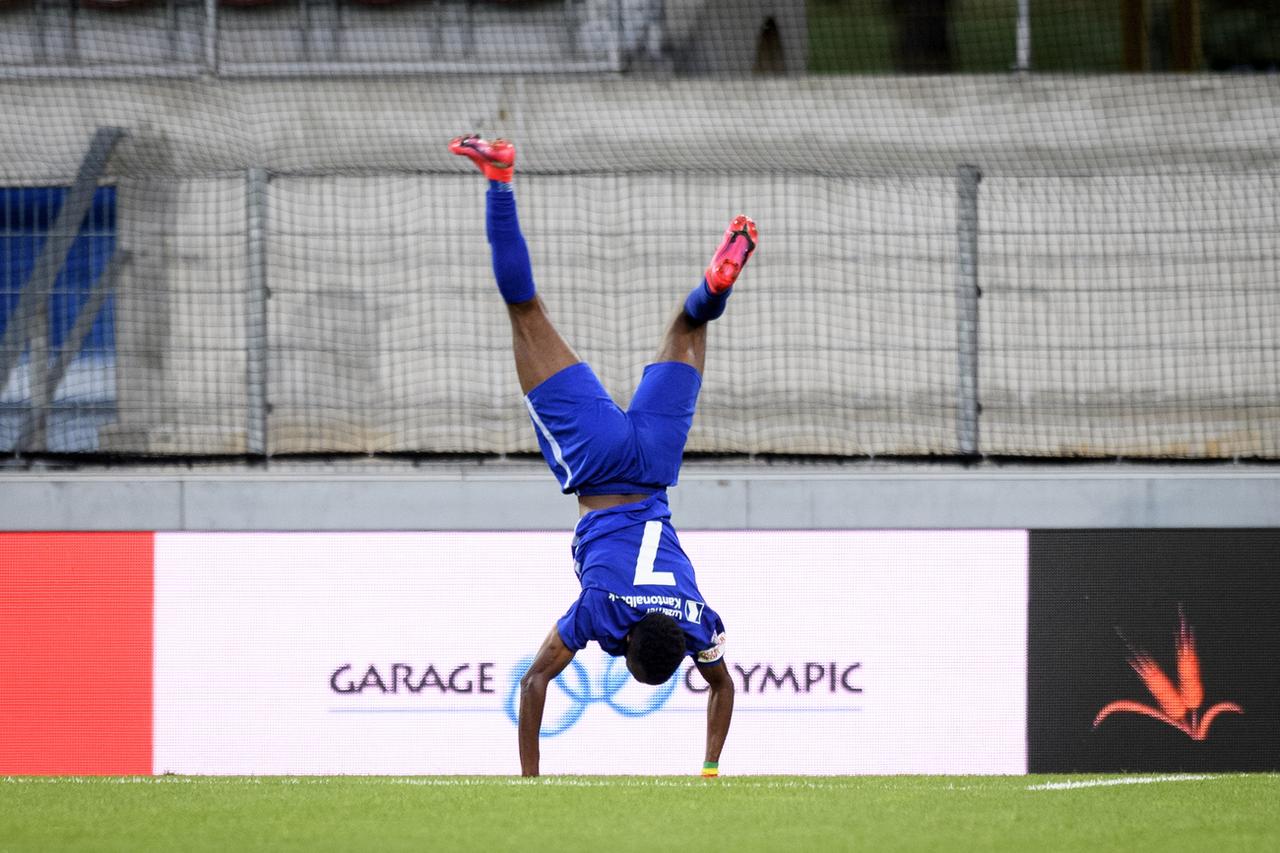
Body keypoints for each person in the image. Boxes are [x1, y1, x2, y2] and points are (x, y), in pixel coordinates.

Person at [449, 135, 757, 778]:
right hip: (597, 465)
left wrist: (712, 769)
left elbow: (726, 686)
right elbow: (534, 684)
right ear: (621, 652)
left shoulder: (699, 618)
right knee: (524, 310)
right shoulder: (604, 610)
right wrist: (530, 783)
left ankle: (713, 286)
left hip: (655, 463)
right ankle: (499, 179)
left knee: (687, 327)